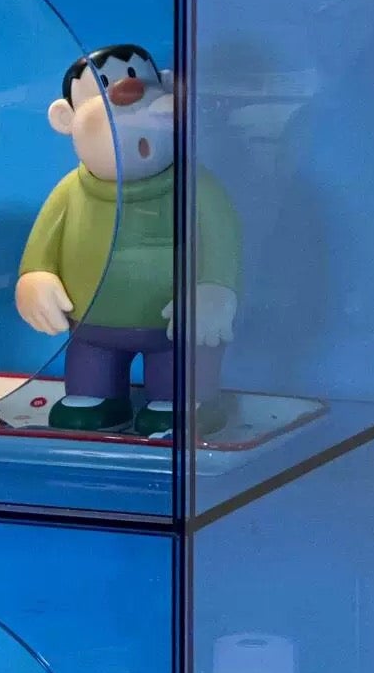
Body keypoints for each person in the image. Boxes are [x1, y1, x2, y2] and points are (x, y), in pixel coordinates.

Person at [16, 43, 239, 435]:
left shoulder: (196, 187)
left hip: (176, 326)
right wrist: (35, 279)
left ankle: (181, 400)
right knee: (88, 390)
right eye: (103, 87)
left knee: (176, 385)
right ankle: (98, 396)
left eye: (139, 80)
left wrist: (216, 288)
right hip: (92, 327)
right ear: (65, 119)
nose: (127, 93)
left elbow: (222, 237)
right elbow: (42, 247)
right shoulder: (70, 191)